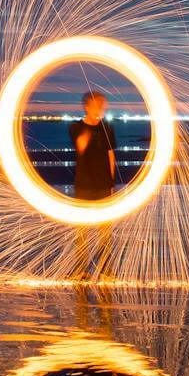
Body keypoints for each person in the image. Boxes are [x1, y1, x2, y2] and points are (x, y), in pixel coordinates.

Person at [69, 89, 117, 279]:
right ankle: (80, 270)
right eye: (98, 104)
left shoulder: (108, 128)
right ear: (87, 106)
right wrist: (91, 126)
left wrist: (111, 183)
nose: (101, 108)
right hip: (84, 185)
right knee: (82, 232)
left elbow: (111, 155)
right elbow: (80, 146)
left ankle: (106, 271)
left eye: (103, 105)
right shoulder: (75, 127)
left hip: (104, 185)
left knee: (105, 233)